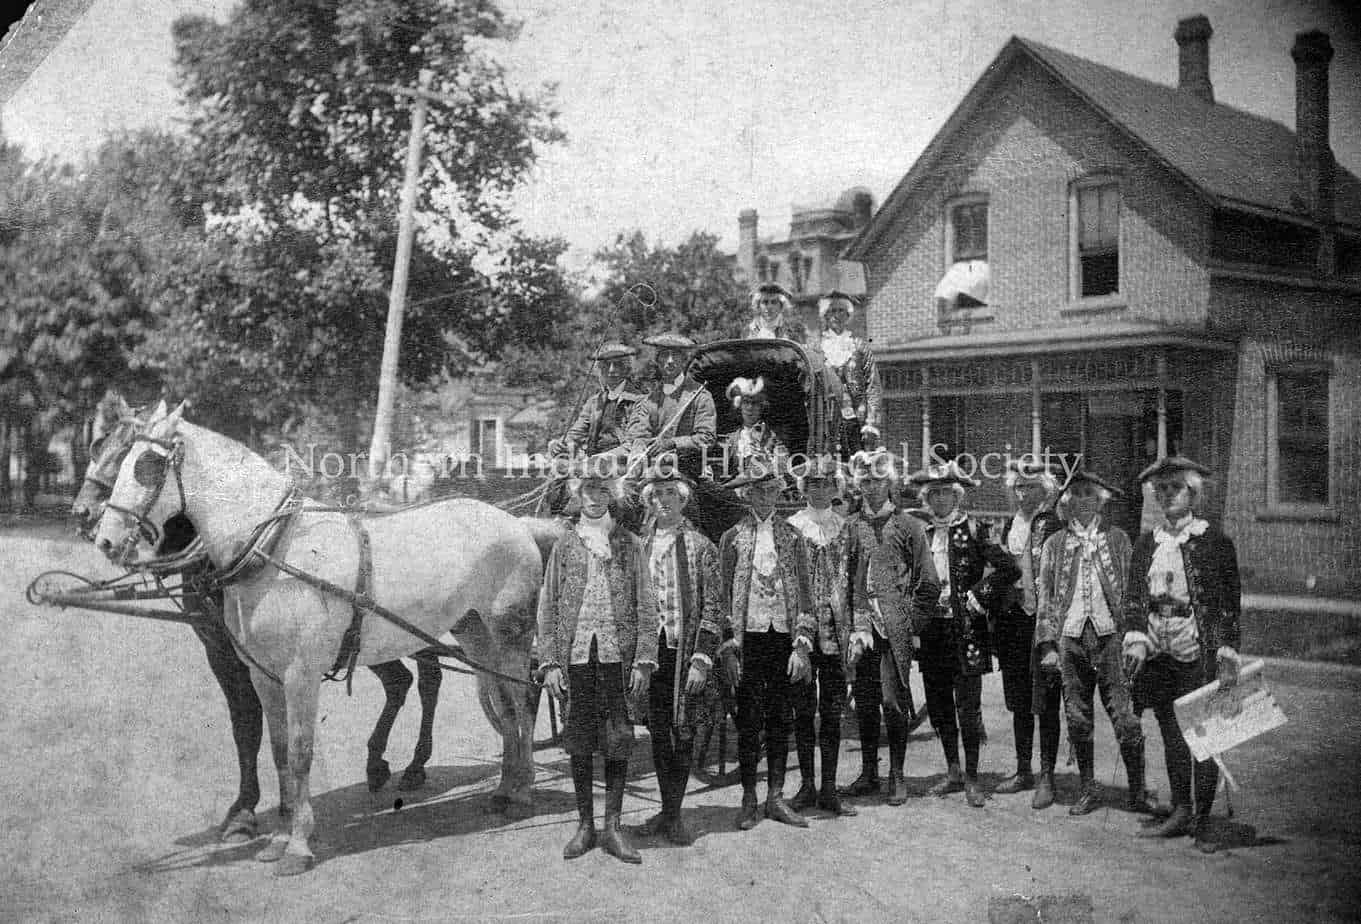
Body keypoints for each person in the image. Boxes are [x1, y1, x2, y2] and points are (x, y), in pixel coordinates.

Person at [536, 464, 659, 864]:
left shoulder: (628, 544)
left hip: (617, 658)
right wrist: (551, 661)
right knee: (579, 737)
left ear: (611, 496)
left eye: (601, 490)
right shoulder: (565, 545)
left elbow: (646, 604)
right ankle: (585, 826)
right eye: (587, 489)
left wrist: (643, 660)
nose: (593, 496)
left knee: (618, 736)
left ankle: (613, 828)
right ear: (579, 494)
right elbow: (549, 606)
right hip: (575, 658)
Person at [1123, 456, 1242, 851]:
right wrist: (1137, 634)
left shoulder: (1214, 541)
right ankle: (1180, 808)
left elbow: (1229, 602)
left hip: (1197, 645)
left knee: (1202, 734)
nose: (1167, 496)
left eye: (1175, 489)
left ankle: (1204, 820)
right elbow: (1134, 595)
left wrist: (1226, 647)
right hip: (1158, 646)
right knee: (1171, 731)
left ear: (1193, 494)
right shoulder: (1147, 541)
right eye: (1161, 490)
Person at [1034, 470, 1154, 817]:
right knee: (1077, 717)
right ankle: (1087, 788)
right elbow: (1046, 598)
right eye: (1077, 495)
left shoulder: (1117, 539)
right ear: (1067, 502)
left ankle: (1137, 791)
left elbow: (1135, 592)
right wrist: (1048, 645)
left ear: (1100, 499)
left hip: (1111, 639)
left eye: (1090, 494)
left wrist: (1135, 634)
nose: (1083, 500)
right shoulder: (1055, 544)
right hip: (1070, 640)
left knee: (1125, 717)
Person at [908, 462, 1019, 808]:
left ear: (956, 496)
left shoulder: (973, 528)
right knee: (939, 705)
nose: (940, 499)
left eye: (946, 493)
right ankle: (953, 770)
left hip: (966, 632)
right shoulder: (921, 533)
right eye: (934, 493)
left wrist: (977, 595)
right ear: (927, 499)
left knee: (967, 707)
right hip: (932, 632)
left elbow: (1009, 568)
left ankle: (972, 777)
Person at [838, 448, 940, 806]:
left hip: (893, 630)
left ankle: (897, 774)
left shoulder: (909, 527)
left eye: (878, 480)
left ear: (889, 482)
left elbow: (929, 583)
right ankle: (869, 772)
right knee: (864, 703)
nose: (871, 487)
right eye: (864, 481)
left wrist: (909, 622)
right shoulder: (850, 526)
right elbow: (842, 579)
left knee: (891, 701)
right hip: (859, 628)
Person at [718, 458, 816, 830]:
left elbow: (806, 595)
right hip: (748, 642)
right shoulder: (732, 538)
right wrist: (728, 648)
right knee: (748, 720)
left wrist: (802, 645)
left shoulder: (792, 537)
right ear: (746, 494)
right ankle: (748, 798)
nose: (764, 496)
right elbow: (722, 597)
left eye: (771, 489)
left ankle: (775, 796)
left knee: (780, 717)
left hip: (782, 640)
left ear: (779, 492)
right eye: (757, 490)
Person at [634, 468, 725, 846]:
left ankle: (674, 814)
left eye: (670, 493)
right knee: (657, 731)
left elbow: (713, 606)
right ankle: (668, 811)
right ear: (649, 502)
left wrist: (702, 658)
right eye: (656, 495)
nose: (663, 501)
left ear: (683, 499)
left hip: (685, 651)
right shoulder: (640, 545)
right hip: (650, 652)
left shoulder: (701, 546)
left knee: (683, 729)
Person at [787, 455, 871, 817]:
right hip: (801, 635)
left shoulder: (847, 530)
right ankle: (806, 785)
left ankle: (829, 789)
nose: (820, 490)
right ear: (804, 489)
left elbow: (858, 585)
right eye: (813, 484)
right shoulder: (790, 528)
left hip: (837, 634)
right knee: (803, 712)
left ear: (836, 488)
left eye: (826, 484)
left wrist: (860, 629)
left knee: (832, 713)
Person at [995, 460, 1066, 808]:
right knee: (1019, 698)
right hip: (1013, 622)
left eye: (1031, 487)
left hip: (1042, 622)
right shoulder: (1010, 523)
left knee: (1046, 699)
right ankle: (1023, 768)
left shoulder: (1052, 523)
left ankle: (1047, 775)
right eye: (1019, 487)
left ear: (1046, 490)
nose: (1024, 493)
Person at [546, 341, 649, 517]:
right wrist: (560, 444)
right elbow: (575, 433)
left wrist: (598, 458)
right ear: (600, 370)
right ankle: (559, 522)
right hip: (592, 463)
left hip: (623, 464)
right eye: (606, 365)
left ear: (626, 369)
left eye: (617, 365)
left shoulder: (640, 400)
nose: (611, 370)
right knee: (557, 472)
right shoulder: (594, 402)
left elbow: (632, 444)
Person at [631, 332, 717, 486]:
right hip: (651, 470)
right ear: (657, 360)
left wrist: (671, 443)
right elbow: (640, 435)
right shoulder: (649, 400)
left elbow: (706, 438)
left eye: (675, 355)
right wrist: (639, 449)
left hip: (687, 470)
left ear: (684, 360)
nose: (670, 361)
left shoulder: (699, 395)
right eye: (664, 355)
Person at [818, 292, 882, 457]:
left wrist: (871, 419)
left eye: (841, 311)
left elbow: (873, 384)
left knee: (859, 463)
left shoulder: (860, 346)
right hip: (827, 418)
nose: (836, 315)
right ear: (825, 315)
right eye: (832, 311)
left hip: (856, 416)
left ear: (848, 315)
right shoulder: (816, 349)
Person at [721, 376, 790, 474]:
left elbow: (783, 467)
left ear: (761, 407)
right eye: (746, 402)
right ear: (739, 406)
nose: (750, 407)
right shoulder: (731, 439)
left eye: (755, 403)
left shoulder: (774, 437)